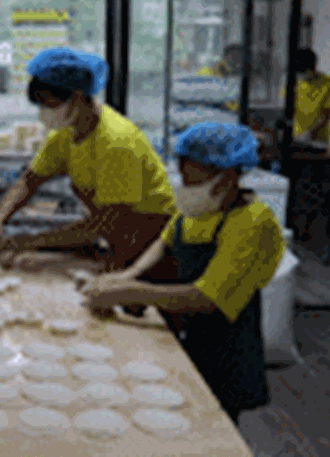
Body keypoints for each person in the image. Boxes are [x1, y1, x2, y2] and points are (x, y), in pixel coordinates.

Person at [82, 122, 283, 426]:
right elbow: (165, 241)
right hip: (191, 334)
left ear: (227, 178)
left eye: (194, 182)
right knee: (183, 411)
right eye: (184, 179)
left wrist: (130, 292)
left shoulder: (252, 223)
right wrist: (129, 275)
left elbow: (205, 297)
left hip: (227, 349)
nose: (187, 190)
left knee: (215, 424)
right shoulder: (200, 210)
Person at [0, 47, 176, 272]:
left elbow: (110, 222)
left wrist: (30, 241)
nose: (43, 113)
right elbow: (29, 181)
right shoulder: (65, 132)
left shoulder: (116, 142)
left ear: (77, 98)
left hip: (148, 239)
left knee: (41, 265)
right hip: (111, 234)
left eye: (49, 105)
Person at [280, 48, 330, 144]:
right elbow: (285, 110)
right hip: (294, 137)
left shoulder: (327, 84)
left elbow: (326, 115)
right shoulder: (292, 83)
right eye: (300, 72)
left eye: (305, 71)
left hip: (318, 140)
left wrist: (309, 133)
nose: (302, 75)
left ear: (314, 66)